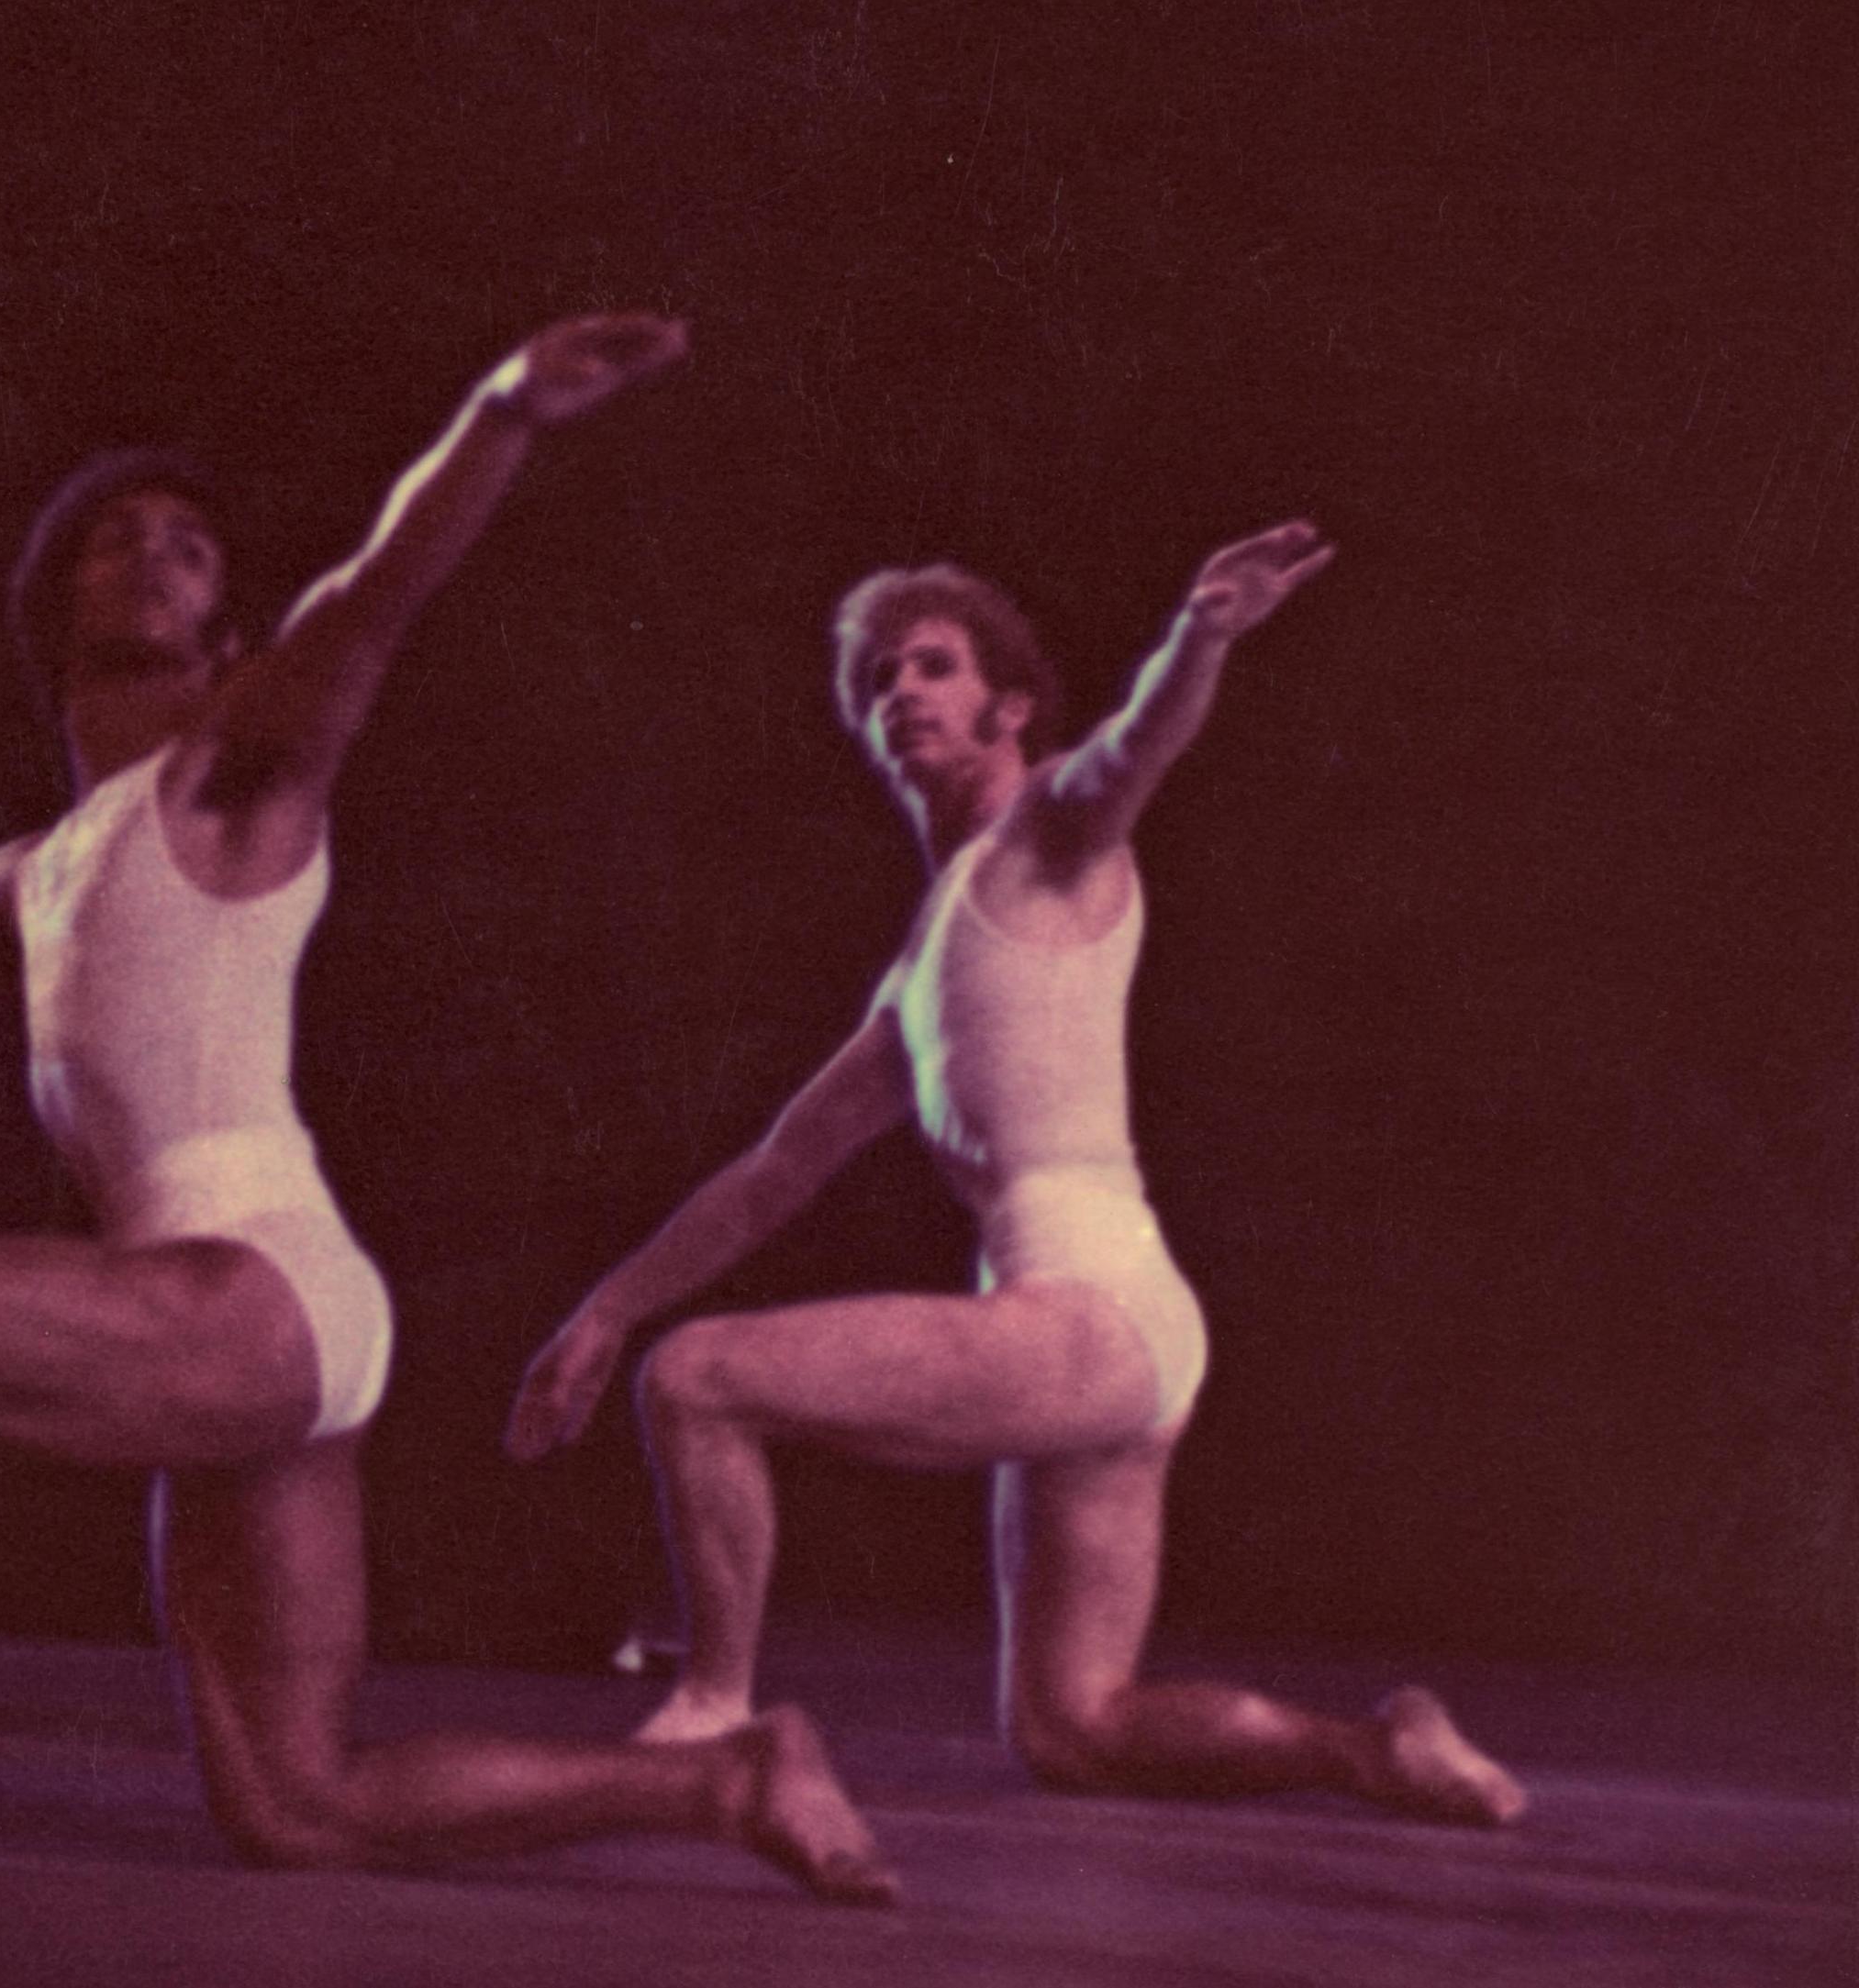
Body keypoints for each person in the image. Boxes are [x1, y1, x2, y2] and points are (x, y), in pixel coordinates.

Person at [0, 317, 897, 1903]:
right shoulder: (27, 882)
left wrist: (501, 415)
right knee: (302, 1806)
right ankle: (730, 1775)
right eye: (118, 539)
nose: (152, 554)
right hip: (260, 1318)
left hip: (250, 1283)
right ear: (55, 613)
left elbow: (371, 600)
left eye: (191, 545)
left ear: (227, 638)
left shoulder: (234, 775)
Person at [506, 527, 1527, 1826]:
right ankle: (1380, 1748)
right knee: (1077, 1727)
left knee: (700, 1380)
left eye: (932, 664)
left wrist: (1203, 633)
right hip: (1120, 1331)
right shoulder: (926, 958)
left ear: (1011, 705)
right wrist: (605, 1304)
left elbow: (1132, 751)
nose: (900, 692)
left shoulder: (1049, 833)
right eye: (878, 678)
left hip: (1085, 1309)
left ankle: (714, 1710)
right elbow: (777, 1173)